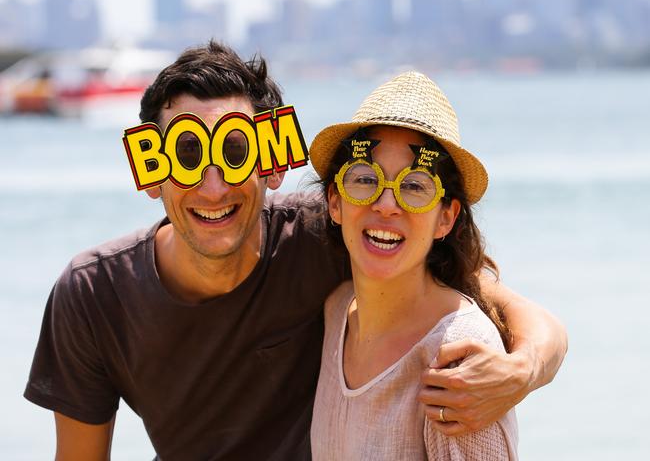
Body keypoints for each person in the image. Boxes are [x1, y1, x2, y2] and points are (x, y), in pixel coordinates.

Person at [24, 41, 566, 460]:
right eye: (188, 155)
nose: (213, 188)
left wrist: (521, 371)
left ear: (273, 164)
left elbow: (498, 305)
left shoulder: (334, 234)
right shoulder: (93, 295)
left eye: (235, 153)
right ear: (150, 170)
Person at [309, 71, 519, 459]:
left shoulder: (458, 355)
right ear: (334, 202)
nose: (386, 204)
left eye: (414, 186)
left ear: (446, 218)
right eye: (364, 180)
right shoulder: (336, 310)